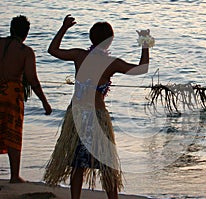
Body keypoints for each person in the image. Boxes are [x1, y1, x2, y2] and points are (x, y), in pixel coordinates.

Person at [43, 15, 151, 199]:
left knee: (78, 164)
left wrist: (64, 28)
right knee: (107, 165)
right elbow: (142, 69)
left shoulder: (79, 55)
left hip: (77, 117)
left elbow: (52, 50)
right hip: (97, 118)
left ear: (91, 38)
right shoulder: (111, 63)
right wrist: (145, 43)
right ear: (109, 41)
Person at [0, 15, 52, 183]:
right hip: (11, 96)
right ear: (26, 33)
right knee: (13, 135)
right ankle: (14, 176)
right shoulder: (25, 52)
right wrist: (45, 102)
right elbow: (32, 79)